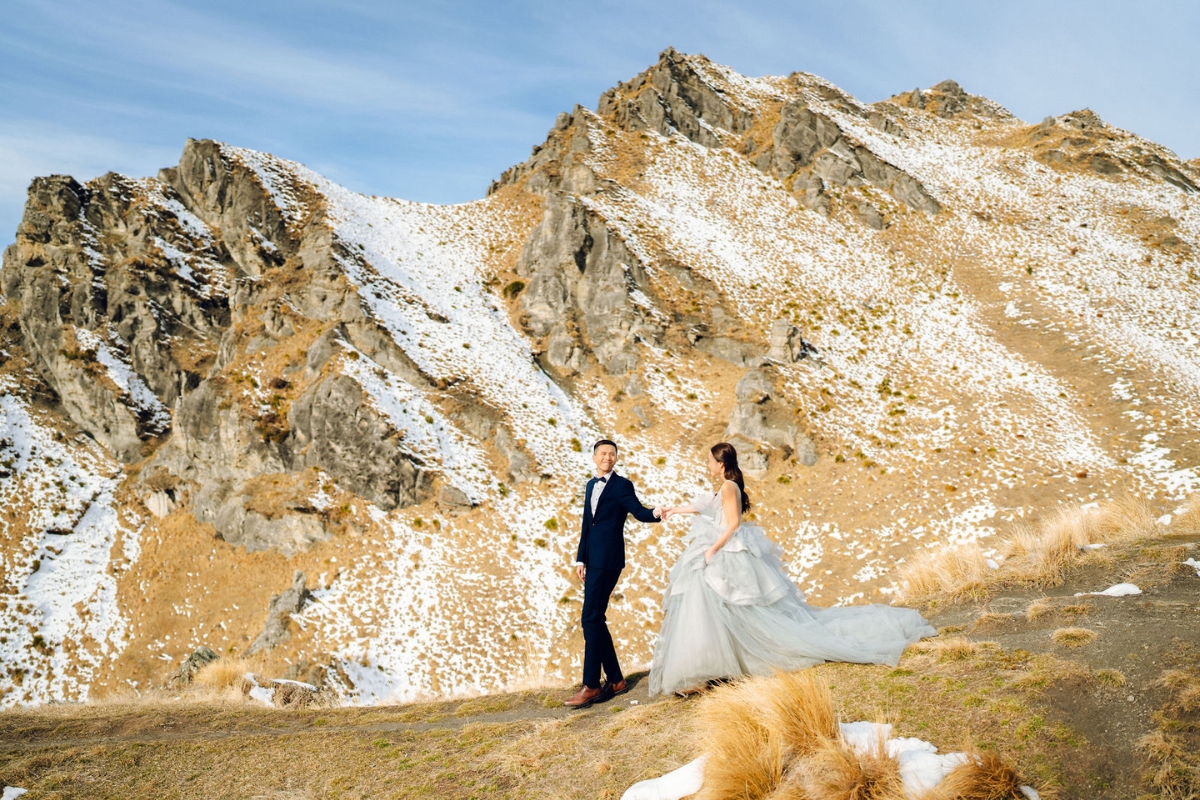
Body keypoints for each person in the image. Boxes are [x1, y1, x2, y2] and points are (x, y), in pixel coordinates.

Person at [648, 442, 935, 697]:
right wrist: (672, 510)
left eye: (711, 461)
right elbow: (703, 507)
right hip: (722, 548)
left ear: (720, 463)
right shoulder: (724, 486)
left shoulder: (728, 486)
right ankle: (714, 665)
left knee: (737, 606)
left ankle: (722, 665)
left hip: (728, 550)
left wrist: (712, 549)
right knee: (721, 607)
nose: (708, 465)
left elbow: (733, 523)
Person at [564, 439, 663, 708]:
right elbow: (587, 524)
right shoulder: (589, 486)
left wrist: (656, 513)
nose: (608, 457)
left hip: (609, 560)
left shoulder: (622, 485)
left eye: (612, 454)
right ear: (595, 457)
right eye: (603, 453)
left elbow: (638, 511)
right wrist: (580, 558)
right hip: (592, 560)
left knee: (590, 618)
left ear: (616, 459)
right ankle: (616, 680)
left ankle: (592, 685)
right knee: (595, 619)